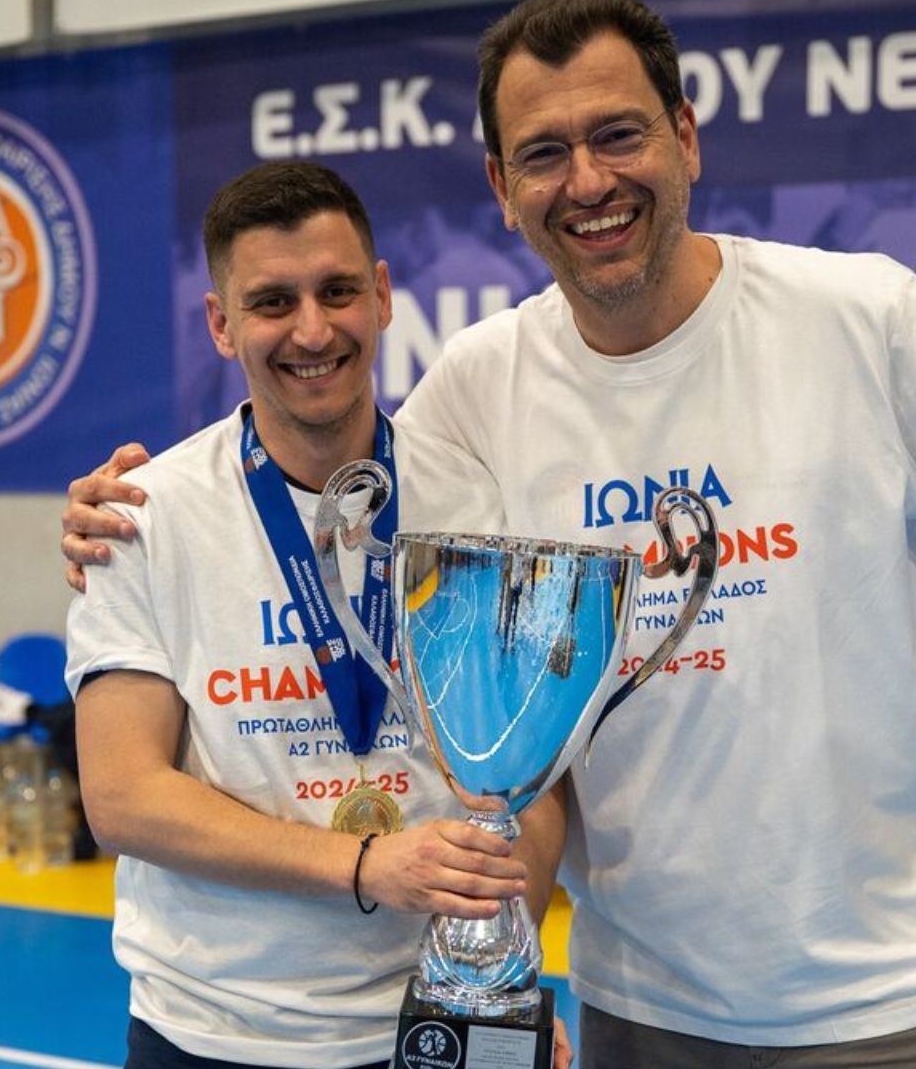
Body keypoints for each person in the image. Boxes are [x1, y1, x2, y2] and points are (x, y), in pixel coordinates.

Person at [63, 0, 916, 1066]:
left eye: (619, 135)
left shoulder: (860, 313)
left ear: (686, 136)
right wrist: (118, 515)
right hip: (643, 1001)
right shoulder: (479, 390)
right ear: (501, 187)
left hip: (896, 1001)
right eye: (544, 153)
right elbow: (333, 481)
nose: (588, 182)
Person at [63, 161, 569, 1069]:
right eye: (271, 302)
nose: (312, 330)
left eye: (338, 291)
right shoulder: (143, 515)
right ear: (221, 324)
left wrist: (499, 978)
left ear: (381, 295)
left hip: (429, 1020)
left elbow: (531, 776)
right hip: (214, 1031)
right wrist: (366, 865)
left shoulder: (478, 500)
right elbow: (123, 796)